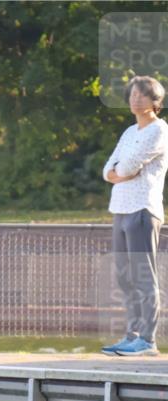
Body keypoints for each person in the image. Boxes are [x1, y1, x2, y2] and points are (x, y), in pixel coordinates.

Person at [101, 75, 168, 357]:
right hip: (120, 209)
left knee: (143, 276)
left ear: (155, 101)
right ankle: (132, 335)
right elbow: (108, 169)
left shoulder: (159, 130)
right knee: (124, 276)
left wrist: (121, 172)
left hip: (142, 209)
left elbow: (128, 165)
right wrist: (118, 174)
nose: (135, 99)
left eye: (142, 95)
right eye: (132, 94)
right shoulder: (129, 132)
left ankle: (148, 341)